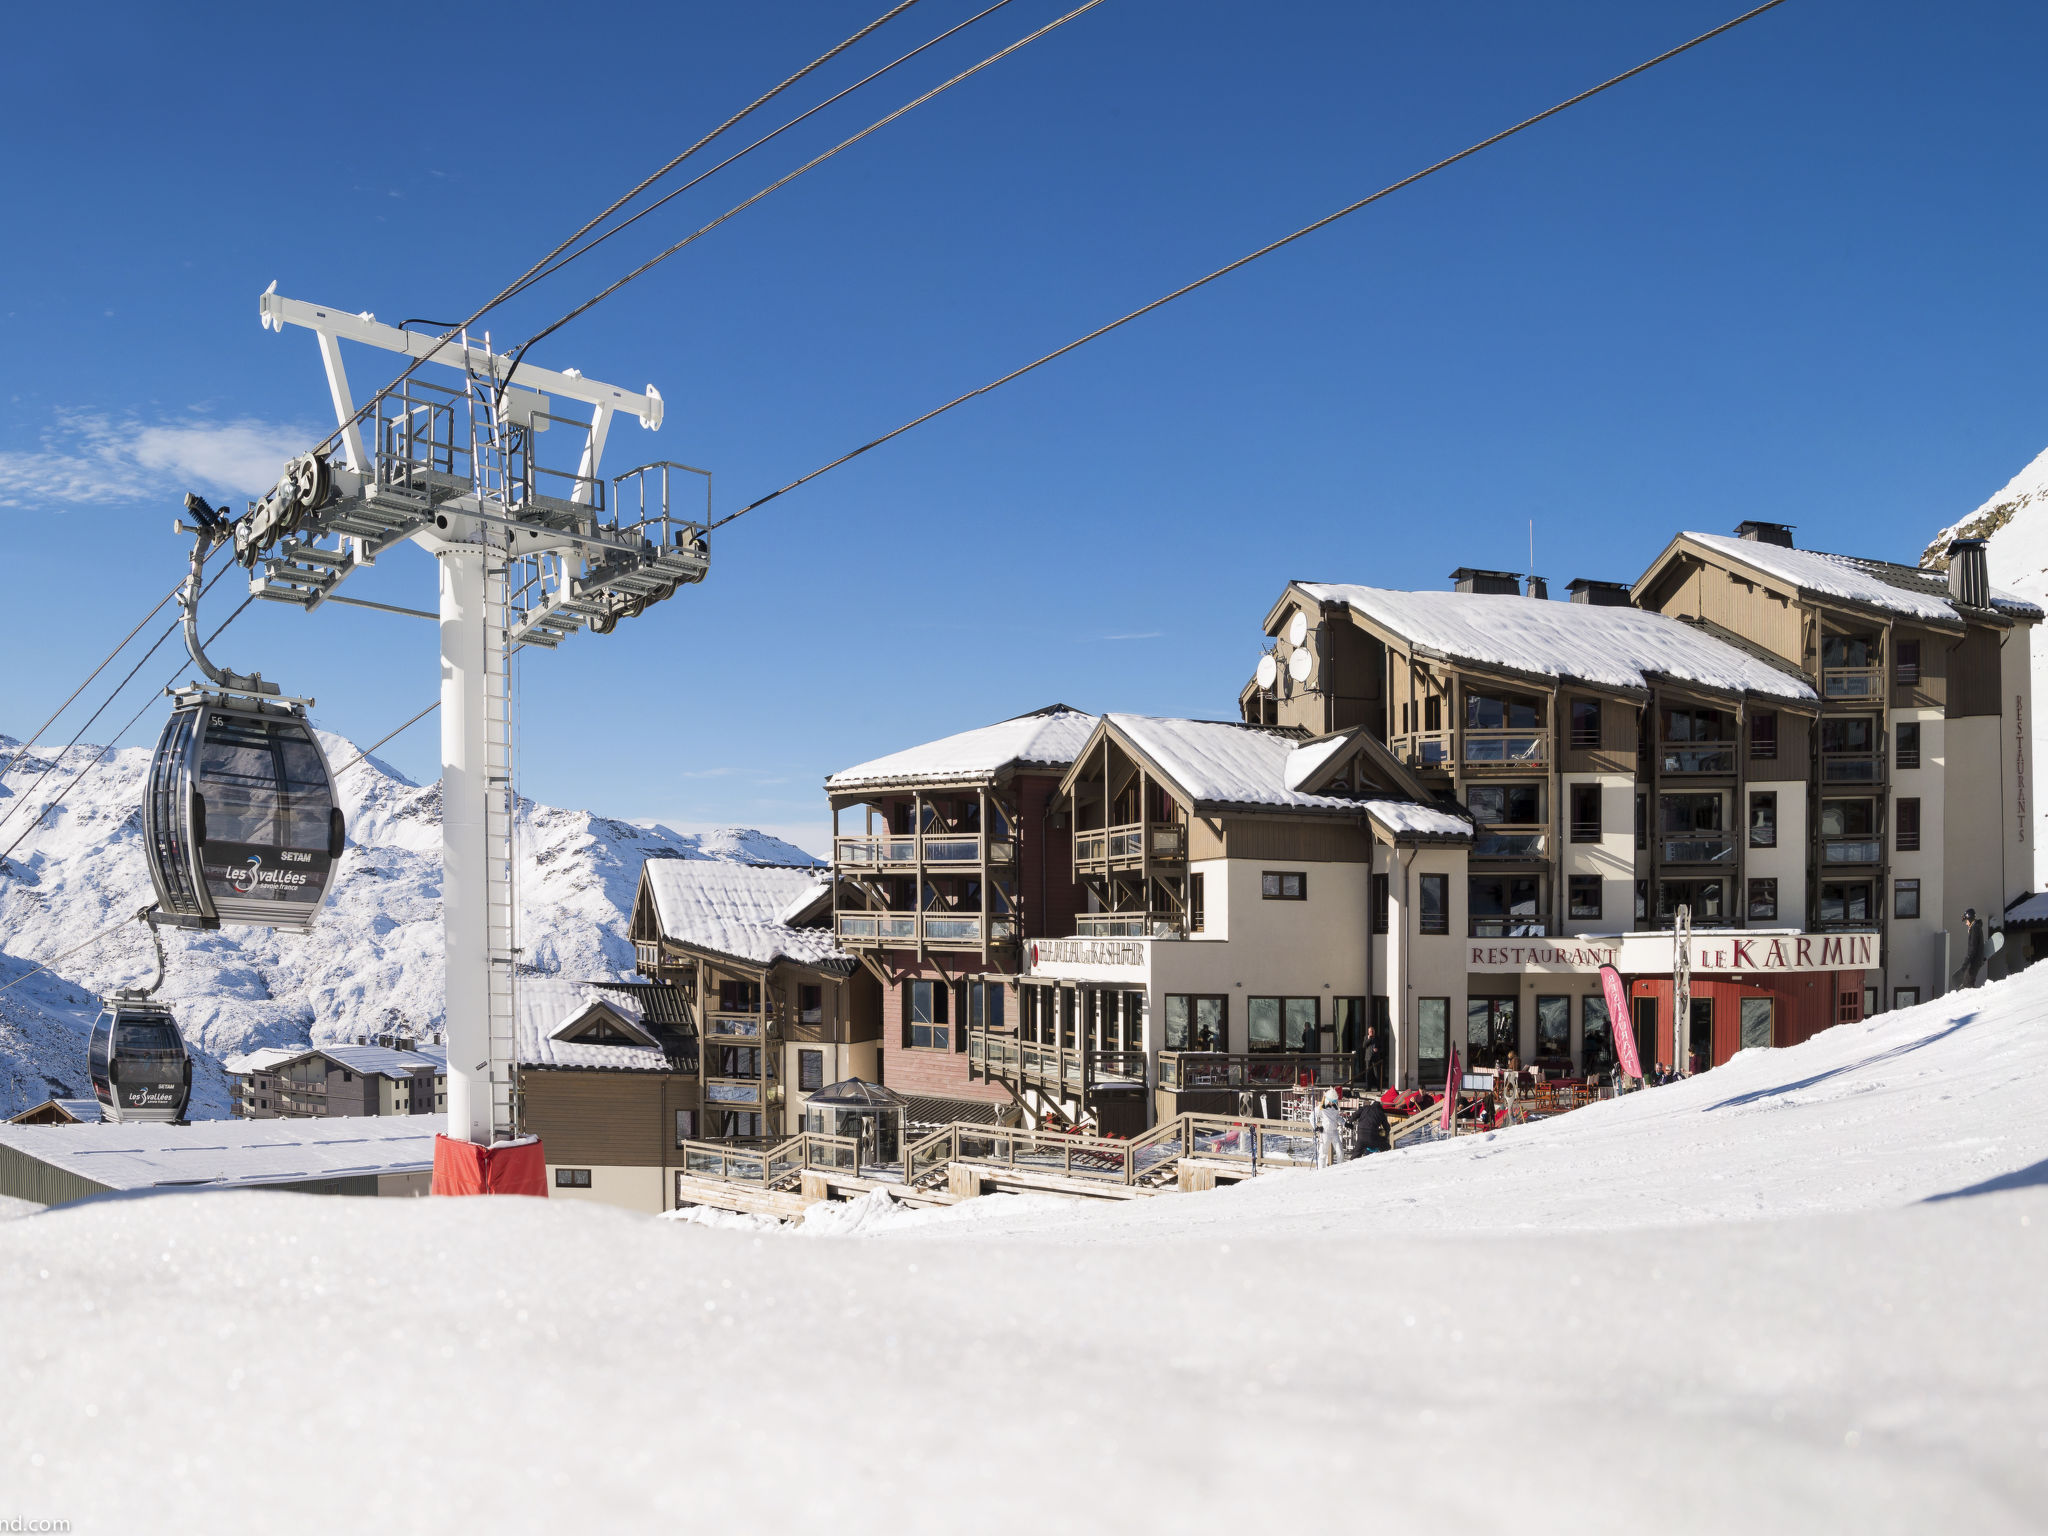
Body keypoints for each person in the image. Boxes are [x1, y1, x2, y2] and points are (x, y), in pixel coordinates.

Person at [1954, 908, 1988, 990]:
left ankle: (1978, 997)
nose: (1966, 923)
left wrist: (1965, 963)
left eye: (1966, 921)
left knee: (1968, 984)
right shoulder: (1975, 927)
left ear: (1970, 918)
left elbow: (1973, 947)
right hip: (1975, 960)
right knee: (1967, 983)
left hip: (1975, 960)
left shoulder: (1975, 928)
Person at [1316, 1088, 1347, 1168]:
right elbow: (1312, 1116)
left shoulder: (1335, 1107)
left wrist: (1345, 1123)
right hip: (1325, 1132)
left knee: (1340, 1151)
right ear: (1329, 1100)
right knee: (1323, 1153)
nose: (1334, 1103)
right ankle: (1321, 1170)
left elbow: (1337, 1117)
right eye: (1333, 1101)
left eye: (1335, 1101)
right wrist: (1316, 1127)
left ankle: (1340, 1168)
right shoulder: (1321, 1107)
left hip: (1334, 1131)